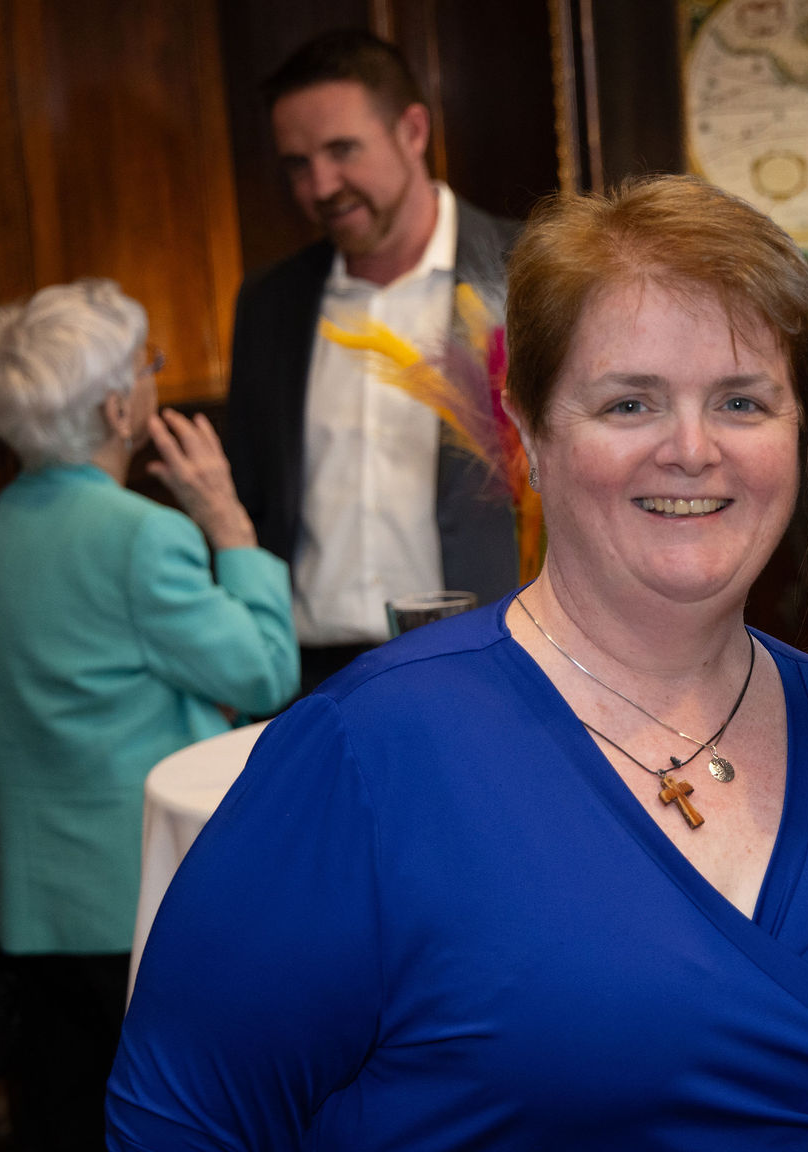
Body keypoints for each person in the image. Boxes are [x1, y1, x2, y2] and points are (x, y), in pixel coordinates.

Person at [106, 176, 808, 1152]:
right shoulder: (369, 754)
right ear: (525, 427)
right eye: (629, 401)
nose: (692, 448)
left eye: (742, 399)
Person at [0, 278, 298, 1152]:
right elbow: (266, 672)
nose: (154, 383)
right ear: (115, 409)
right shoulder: (140, 536)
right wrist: (228, 524)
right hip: (133, 901)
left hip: (30, 905)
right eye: (146, 367)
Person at [223, 29, 523, 691]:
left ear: (412, 130)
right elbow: (253, 496)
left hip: (484, 662)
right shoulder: (270, 303)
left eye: (342, 150)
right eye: (297, 165)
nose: (321, 185)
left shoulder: (527, 271)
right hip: (312, 677)